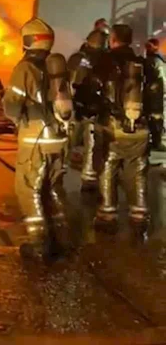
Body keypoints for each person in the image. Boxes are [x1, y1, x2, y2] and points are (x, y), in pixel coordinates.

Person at [2, 17, 73, 261]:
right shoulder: (56, 68)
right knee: (53, 188)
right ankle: (63, 238)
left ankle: (39, 244)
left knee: (28, 189)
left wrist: (10, 109)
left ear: (28, 41)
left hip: (36, 139)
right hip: (58, 138)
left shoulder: (25, 68)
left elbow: (13, 106)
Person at [94, 23, 149, 232]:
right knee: (138, 169)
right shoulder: (144, 64)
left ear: (113, 40)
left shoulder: (105, 61)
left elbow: (91, 89)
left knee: (108, 166)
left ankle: (107, 214)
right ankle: (139, 214)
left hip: (112, 126)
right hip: (141, 128)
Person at [67, 28, 109, 190]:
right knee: (92, 145)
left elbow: (68, 82)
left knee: (67, 142)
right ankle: (89, 178)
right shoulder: (104, 60)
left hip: (76, 108)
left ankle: (55, 174)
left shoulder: (77, 58)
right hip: (91, 108)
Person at [144, 37, 166, 151]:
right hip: (154, 94)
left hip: (155, 95)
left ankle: (156, 141)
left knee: (155, 117)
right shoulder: (156, 60)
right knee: (153, 117)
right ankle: (155, 141)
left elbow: (160, 79)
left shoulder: (155, 61)